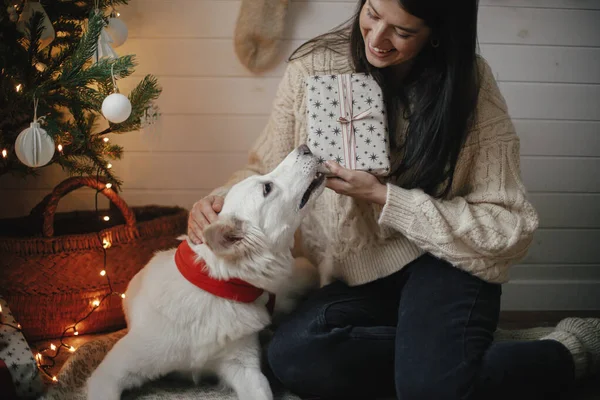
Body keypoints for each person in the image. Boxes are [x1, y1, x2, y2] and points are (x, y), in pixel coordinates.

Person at [188, 0, 600, 399]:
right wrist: (223, 201)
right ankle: (442, 352)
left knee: (430, 390)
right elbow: (265, 169)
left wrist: (386, 197)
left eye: (403, 31)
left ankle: (567, 349)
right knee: (292, 358)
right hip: (357, 274)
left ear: (437, 34)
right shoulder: (313, 67)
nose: (378, 39)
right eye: (372, 14)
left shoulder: (469, 85)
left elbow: (510, 227)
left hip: (446, 262)